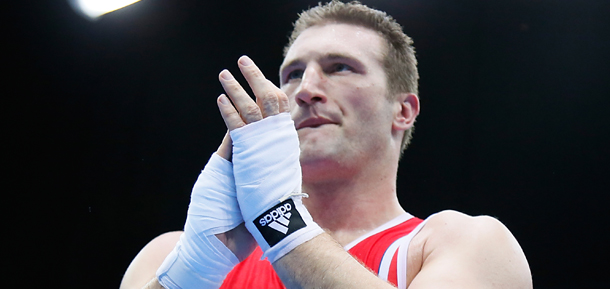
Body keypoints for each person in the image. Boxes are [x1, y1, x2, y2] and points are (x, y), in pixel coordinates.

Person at [120, 1, 533, 288]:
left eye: (340, 68)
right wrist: (190, 275)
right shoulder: (173, 256)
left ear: (403, 110)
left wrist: (279, 220)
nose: (306, 90)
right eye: (293, 74)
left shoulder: (463, 245)